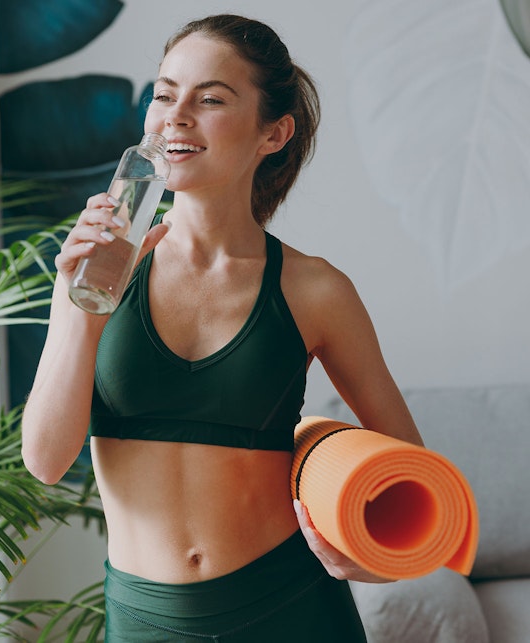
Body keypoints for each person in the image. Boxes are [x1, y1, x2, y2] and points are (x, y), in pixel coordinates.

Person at [21, 14, 425, 642]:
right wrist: (80, 307)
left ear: (274, 132)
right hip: (146, 622)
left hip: (293, 612)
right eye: (164, 95)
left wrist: (371, 561)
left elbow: (414, 480)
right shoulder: (94, 272)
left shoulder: (315, 290)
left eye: (210, 99)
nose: (176, 116)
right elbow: (46, 461)